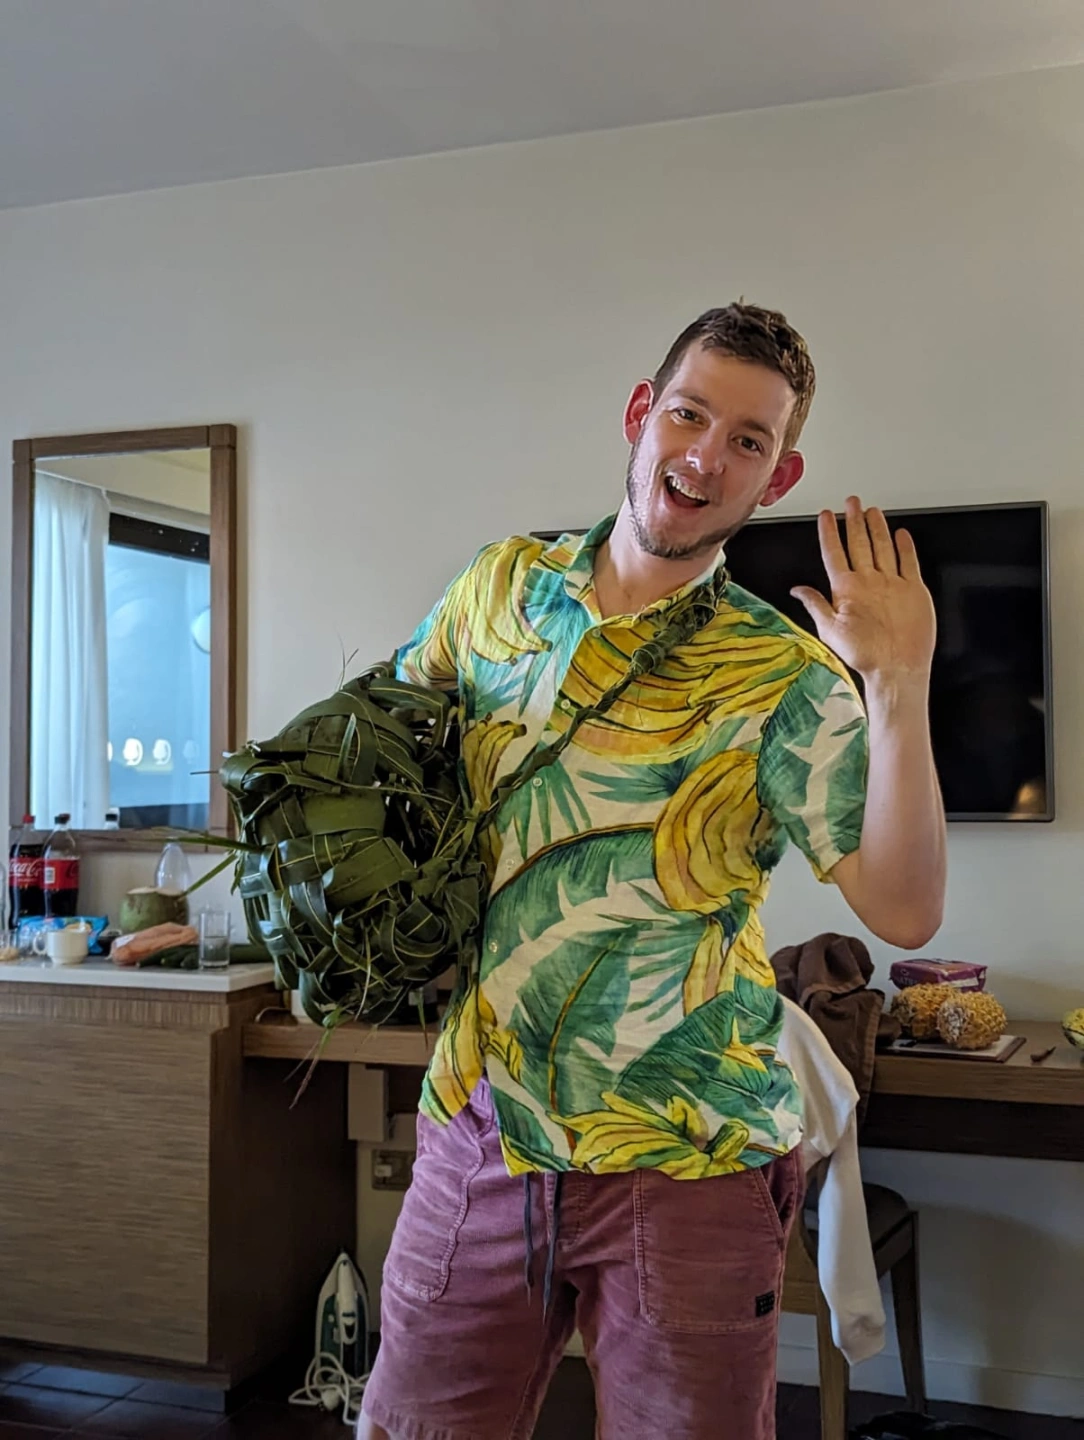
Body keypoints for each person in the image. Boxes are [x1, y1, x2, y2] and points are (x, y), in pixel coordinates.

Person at [358, 303, 946, 1440]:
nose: (706, 456)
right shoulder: (496, 590)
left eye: (747, 440)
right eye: (689, 415)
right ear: (640, 413)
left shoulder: (782, 676)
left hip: (691, 1156)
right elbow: (385, 756)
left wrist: (898, 683)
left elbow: (907, 908)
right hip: (482, 1128)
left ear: (777, 477)